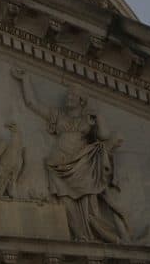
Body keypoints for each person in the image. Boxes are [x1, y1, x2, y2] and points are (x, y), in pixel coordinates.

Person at [12, 69, 138, 242]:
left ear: (81, 100)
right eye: (69, 95)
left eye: (73, 96)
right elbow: (32, 103)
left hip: (83, 166)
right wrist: (25, 79)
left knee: (91, 212)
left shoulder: (88, 119)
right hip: (58, 166)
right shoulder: (57, 116)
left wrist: (98, 116)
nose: (69, 97)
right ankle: (81, 236)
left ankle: (107, 238)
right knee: (67, 206)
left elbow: (104, 135)